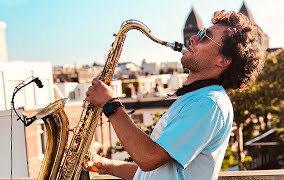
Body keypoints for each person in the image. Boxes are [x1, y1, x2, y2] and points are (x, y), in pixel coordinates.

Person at [84, 10, 264, 180]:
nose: (193, 38)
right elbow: (154, 174)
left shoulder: (209, 103)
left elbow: (148, 159)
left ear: (223, 60)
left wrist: (111, 104)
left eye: (204, 37)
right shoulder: (197, 98)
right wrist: (103, 164)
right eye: (198, 33)